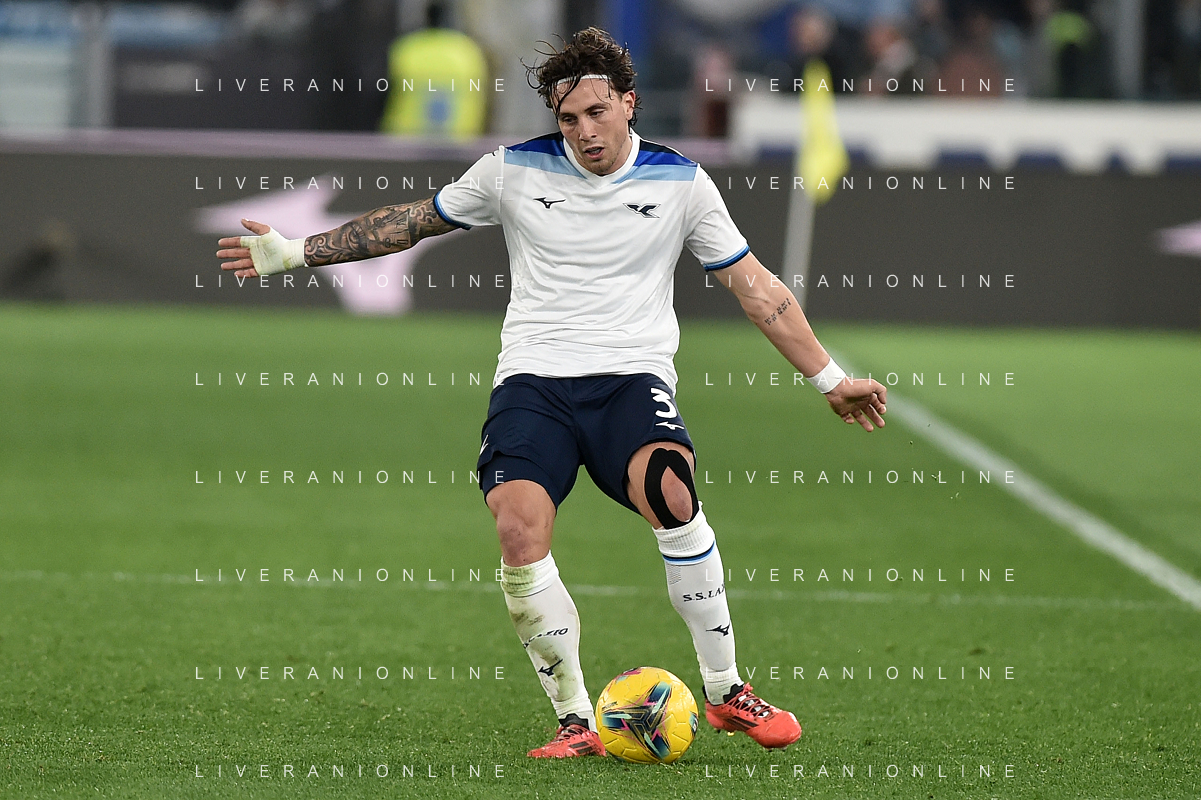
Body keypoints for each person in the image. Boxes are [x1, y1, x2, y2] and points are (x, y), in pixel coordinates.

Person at [216, 27, 888, 759]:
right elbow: (410, 222)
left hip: (630, 377)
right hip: (533, 380)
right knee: (517, 530)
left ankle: (726, 690)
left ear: (628, 103)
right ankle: (575, 720)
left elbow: (756, 289)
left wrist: (829, 379)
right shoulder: (510, 170)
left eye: (597, 112)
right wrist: (295, 251)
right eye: (569, 119)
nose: (584, 131)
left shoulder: (683, 183)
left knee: (670, 488)